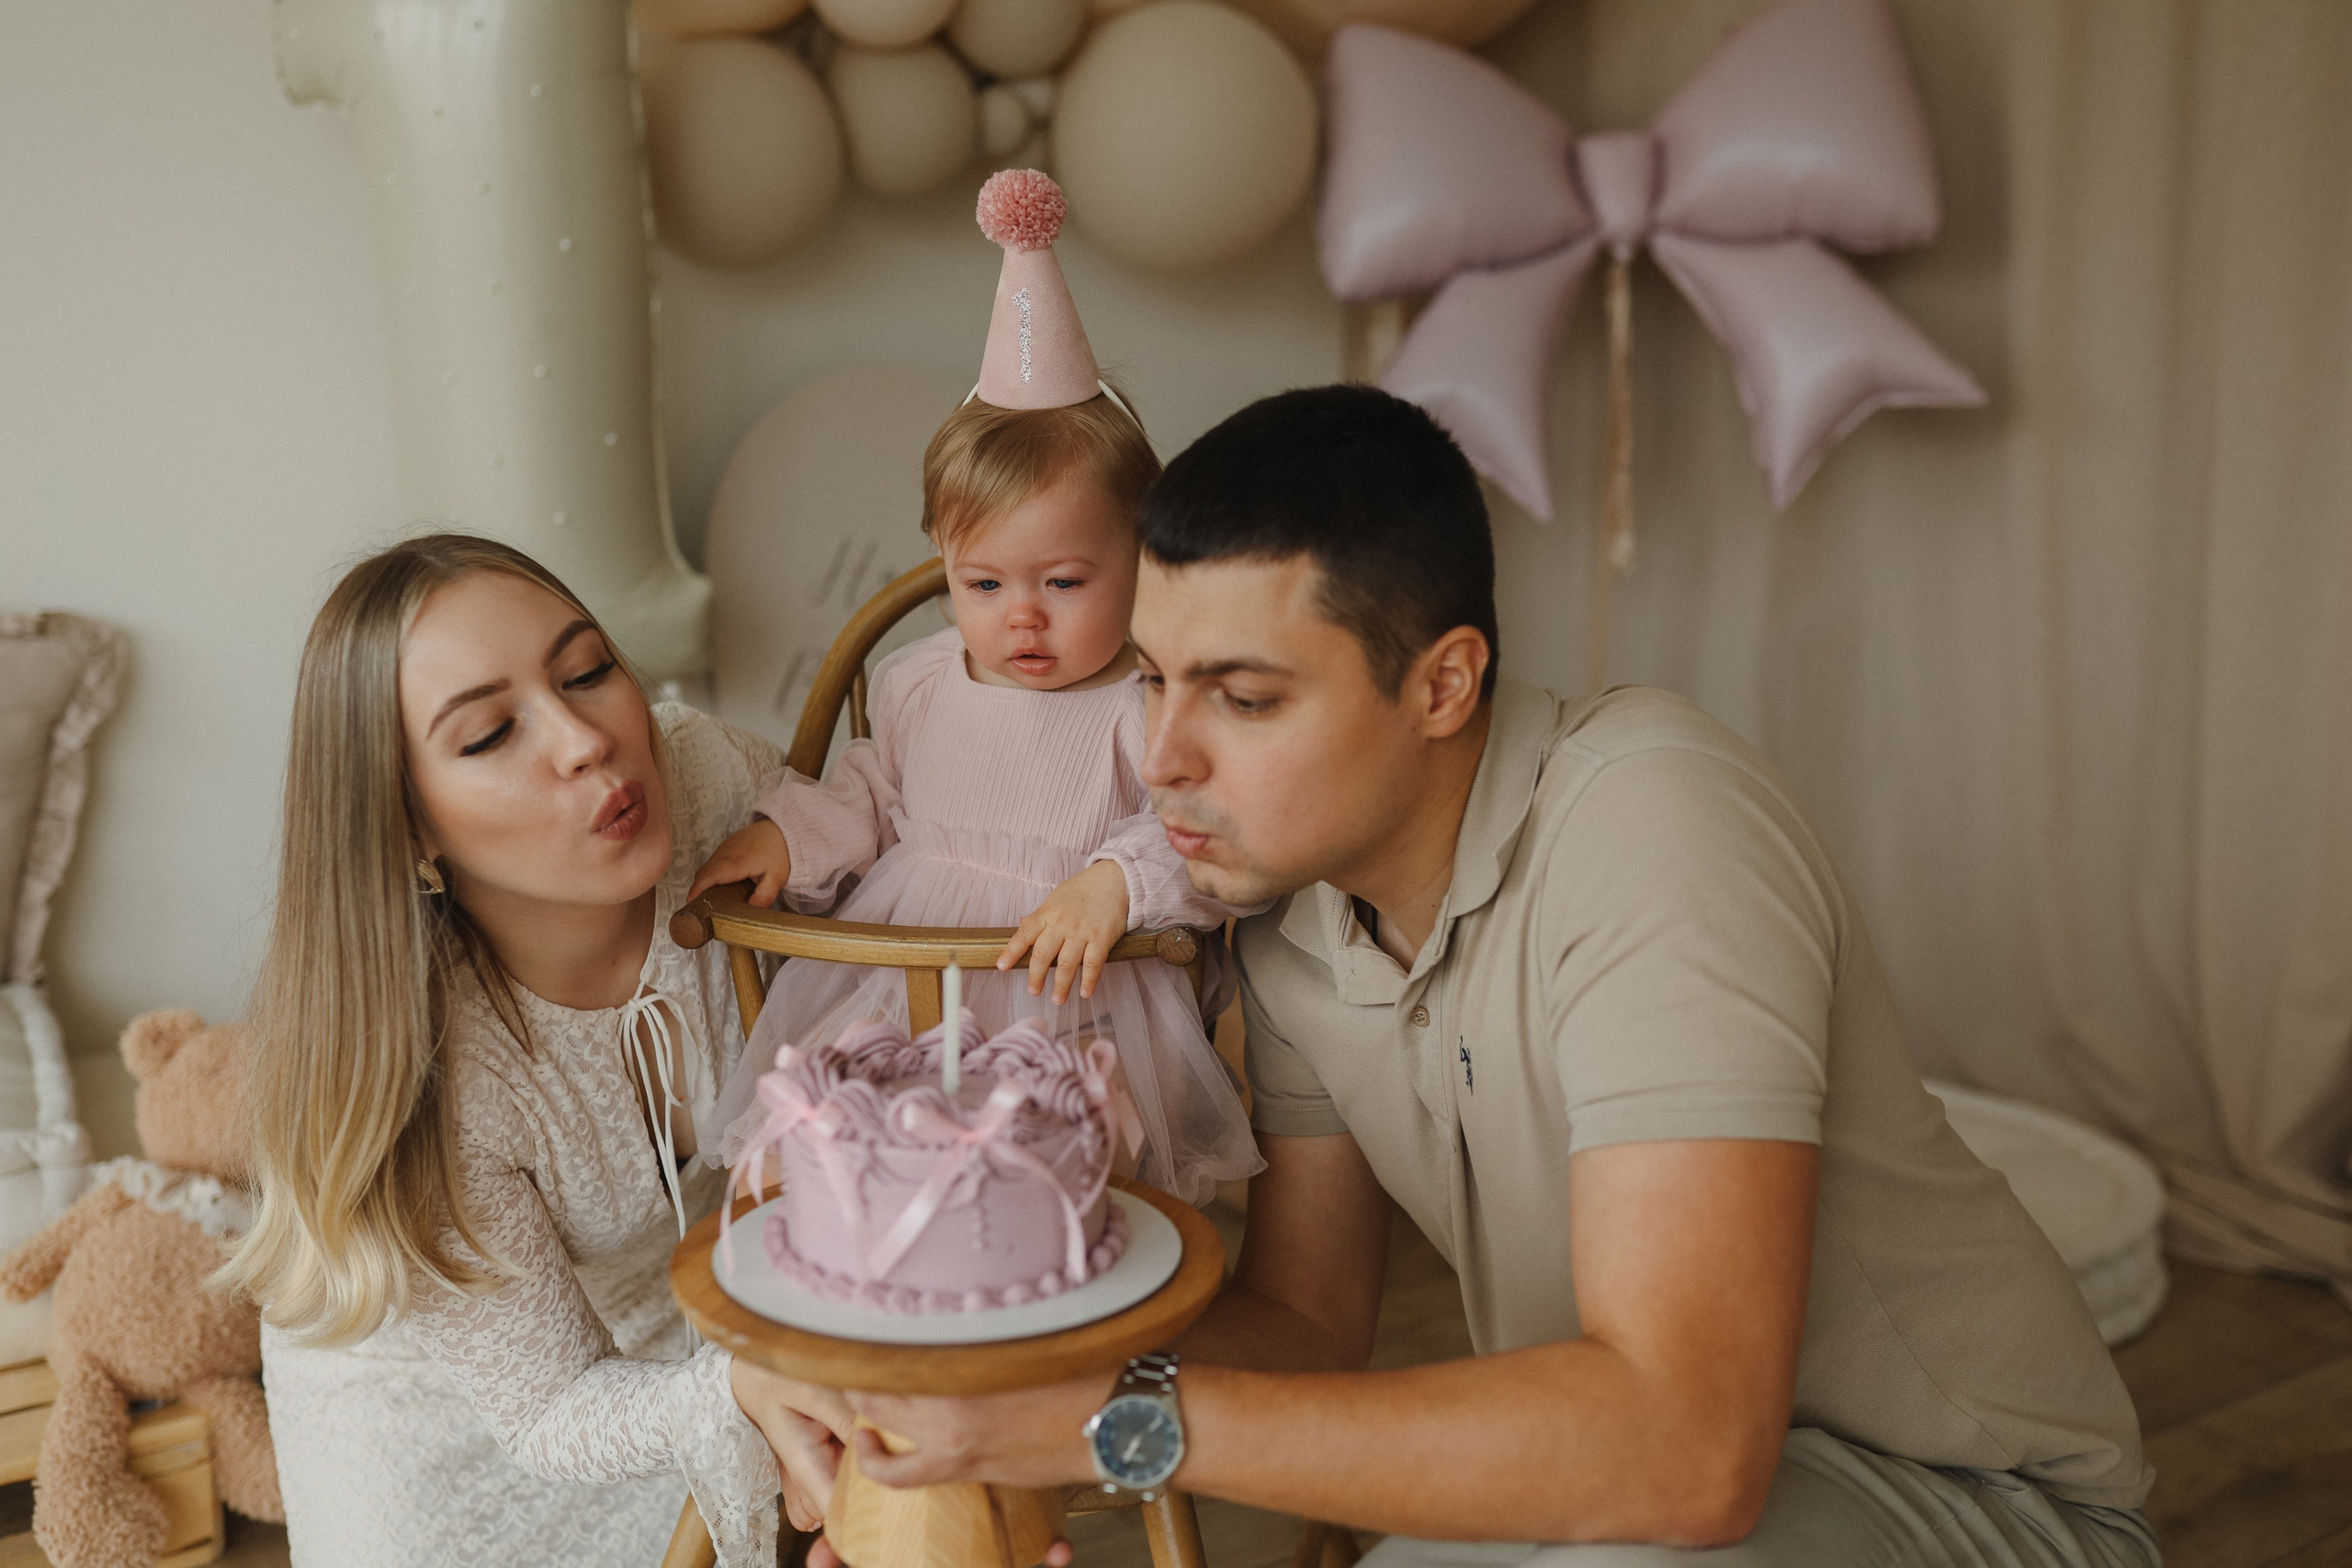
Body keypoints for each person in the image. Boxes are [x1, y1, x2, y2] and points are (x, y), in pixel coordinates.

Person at [823, 386, 2161, 1568]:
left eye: (1245, 697)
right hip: (1615, 1482)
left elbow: (1690, 1450)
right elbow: (1303, 1325)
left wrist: (1101, 1420)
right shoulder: (1289, 917)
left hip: (1968, 1498)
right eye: (1156, 680)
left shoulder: (1653, 822)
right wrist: (955, 1392)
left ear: (1443, 683)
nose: (1163, 753)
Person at [223, 536, 840, 1567]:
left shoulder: (710, 784)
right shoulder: (432, 1072)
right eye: (489, 733)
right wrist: (731, 1393)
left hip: (683, 1310)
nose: (586, 741)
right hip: (452, 1419)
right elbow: (549, 1403)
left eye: (587, 671)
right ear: (408, 828)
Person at [695, 170, 1261, 1207]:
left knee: (1058, 1180)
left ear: (1141, 558)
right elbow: (872, 792)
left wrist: (1115, 883)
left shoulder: (1148, 702)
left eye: (1064, 582)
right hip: (906, 982)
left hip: (1073, 999)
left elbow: (1214, 837)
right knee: (831, 1136)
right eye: (983, 584)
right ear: (942, 559)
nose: (1022, 617)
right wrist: (789, 837)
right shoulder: (916, 681)